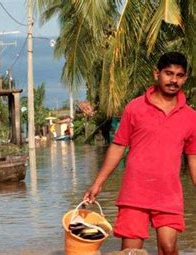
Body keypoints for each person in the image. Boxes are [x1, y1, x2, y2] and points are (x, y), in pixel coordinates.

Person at [83, 52, 196, 255]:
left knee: (169, 248)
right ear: (156, 74)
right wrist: (98, 183)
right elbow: (118, 146)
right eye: (168, 73)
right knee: (130, 251)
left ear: (185, 78)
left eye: (179, 75)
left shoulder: (190, 116)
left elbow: (193, 157)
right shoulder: (135, 107)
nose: (173, 80)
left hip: (168, 194)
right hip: (135, 192)